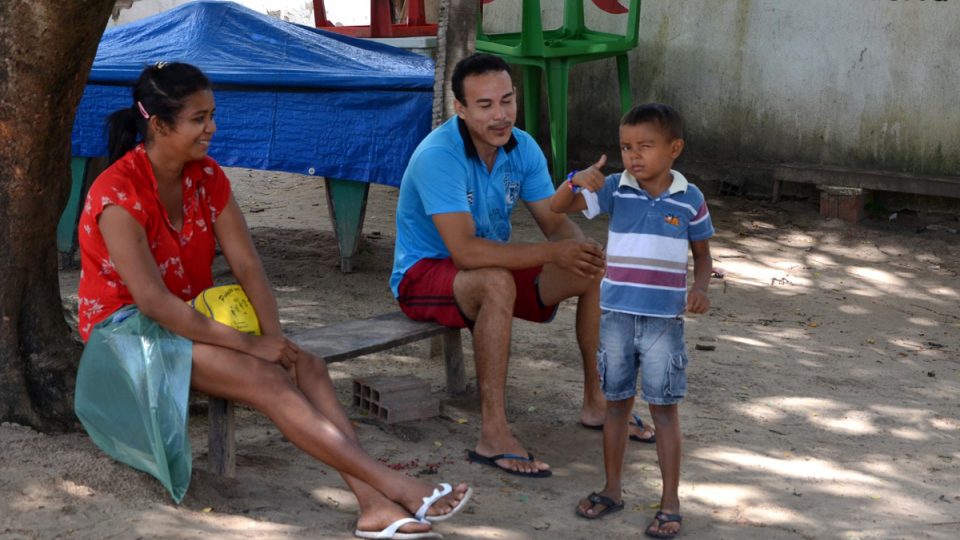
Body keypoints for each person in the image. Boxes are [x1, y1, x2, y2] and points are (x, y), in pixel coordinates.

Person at [74, 62, 470, 540]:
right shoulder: (117, 192)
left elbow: (247, 265)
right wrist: (249, 345)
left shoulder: (207, 176)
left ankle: (372, 505)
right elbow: (153, 304)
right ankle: (390, 483)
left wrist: (274, 338)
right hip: (127, 333)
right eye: (199, 118)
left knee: (307, 366)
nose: (212, 128)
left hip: (187, 318)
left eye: (212, 115)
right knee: (266, 375)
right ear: (159, 125)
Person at [390, 52, 652, 477]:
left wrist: (585, 252)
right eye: (485, 105)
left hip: (489, 269)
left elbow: (555, 223)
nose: (501, 115)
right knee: (495, 282)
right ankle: (493, 434)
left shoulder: (523, 147)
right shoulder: (438, 155)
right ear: (460, 108)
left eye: (507, 101)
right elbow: (467, 254)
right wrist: (553, 254)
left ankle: (597, 404)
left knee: (589, 268)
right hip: (423, 275)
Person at [550, 103, 713, 539]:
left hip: (664, 322)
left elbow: (702, 255)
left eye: (645, 146)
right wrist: (574, 180)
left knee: (663, 411)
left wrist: (700, 289)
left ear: (674, 148)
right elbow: (556, 208)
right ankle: (612, 489)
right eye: (626, 147)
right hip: (617, 318)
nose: (634, 156)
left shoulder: (690, 198)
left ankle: (670, 502)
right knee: (616, 405)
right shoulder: (616, 189)